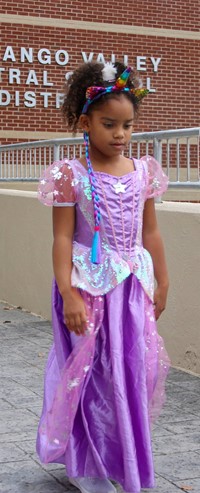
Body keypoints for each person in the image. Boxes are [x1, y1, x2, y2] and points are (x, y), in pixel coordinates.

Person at [36, 61, 170, 493]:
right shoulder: (69, 176)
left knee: (129, 373)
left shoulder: (143, 171)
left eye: (128, 125)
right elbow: (61, 239)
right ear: (85, 122)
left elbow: (150, 231)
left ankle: (120, 456)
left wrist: (161, 282)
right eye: (109, 124)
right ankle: (88, 465)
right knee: (91, 374)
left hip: (131, 289)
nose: (120, 134)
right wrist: (67, 293)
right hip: (87, 290)